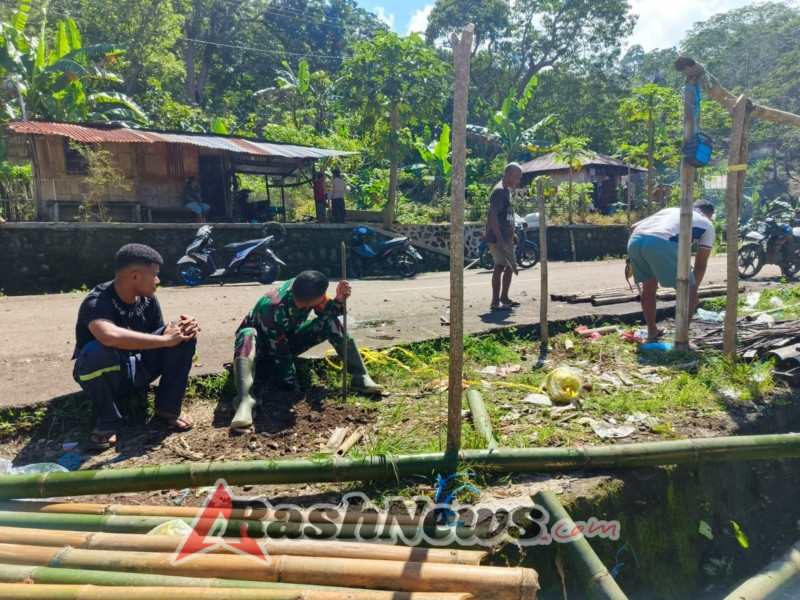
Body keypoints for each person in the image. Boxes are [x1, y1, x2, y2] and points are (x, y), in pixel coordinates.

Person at [73, 244, 200, 450]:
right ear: (135, 276)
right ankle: (106, 421)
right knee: (96, 352)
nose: (158, 281)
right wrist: (167, 340)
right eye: (155, 275)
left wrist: (183, 328)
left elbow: (160, 334)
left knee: (182, 332)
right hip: (106, 374)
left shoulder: (148, 300)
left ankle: (167, 409)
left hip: (139, 366)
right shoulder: (97, 301)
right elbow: (108, 336)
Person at [229, 270, 383, 430]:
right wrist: (292, 389)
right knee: (248, 334)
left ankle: (360, 376)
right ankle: (244, 399)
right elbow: (280, 353)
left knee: (330, 322)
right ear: (310, 302)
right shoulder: (273, 310)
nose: (324, 297)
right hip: (261, 351)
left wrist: (338, 300)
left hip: (285, 340)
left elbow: (329, 313)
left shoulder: (303, 286)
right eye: (323, 295)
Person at [627, 200, 715, 342]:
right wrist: (693, 292)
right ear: (709, 214)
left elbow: (633, 227)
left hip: (635, 241)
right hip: (660, 242)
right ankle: (681, 339)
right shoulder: (707, 224)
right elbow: (701, 264)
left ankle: (652, 331)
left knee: (648, 288)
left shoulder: (669, 210)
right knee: (688, 293)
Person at [484, 163, 523, 311]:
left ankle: (504, 298)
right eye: (517, 177)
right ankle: (495, 302)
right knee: (500, 266)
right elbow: (493, 215)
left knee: (510, 267)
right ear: (509, 175)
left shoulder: (507, 191)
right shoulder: (499, 191)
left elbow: (506, 215)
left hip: (507, 237)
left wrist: (511, 234)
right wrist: (500, 237)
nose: (518, 181)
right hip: (497, 237)